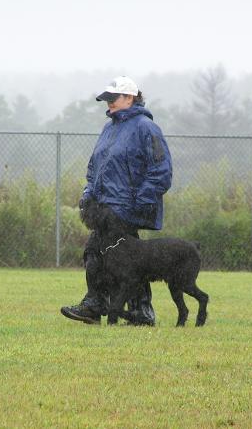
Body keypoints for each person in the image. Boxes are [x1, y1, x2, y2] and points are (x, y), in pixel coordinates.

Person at [60, 76, 173, 325]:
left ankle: (137, 312)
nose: (108, 102)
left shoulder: (146, 128)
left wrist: (138, 201)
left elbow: (161, 171)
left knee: (122, 260)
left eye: (113, 98)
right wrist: (89, 194)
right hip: (104, 207)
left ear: (130, 98)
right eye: (106, 98)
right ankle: (100, 305)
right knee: (95, 254)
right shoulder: (109, 129)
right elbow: (95, 168)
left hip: (126, 208)